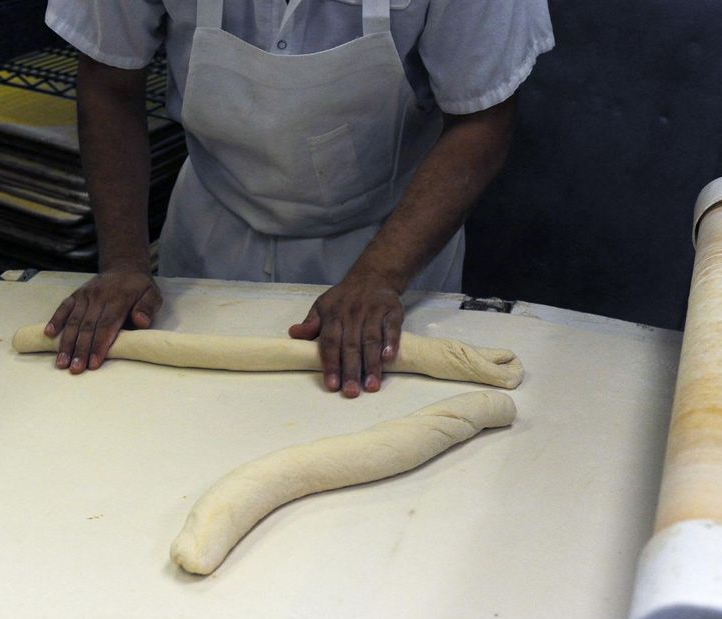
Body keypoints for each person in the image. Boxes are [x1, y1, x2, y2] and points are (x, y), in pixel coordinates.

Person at [43, 0, 553, 397]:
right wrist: (123, 262)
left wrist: (380, 276)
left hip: (392, 243)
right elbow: (109, 80)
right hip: (210, 233)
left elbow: (483, 119)